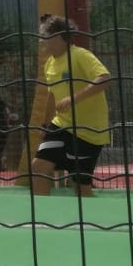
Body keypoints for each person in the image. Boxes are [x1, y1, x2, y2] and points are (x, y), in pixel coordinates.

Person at [29, 15, 113, 198]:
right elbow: (52, 96)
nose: (42, 41)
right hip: (61, 126)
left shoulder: (80, 55)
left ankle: (89, 215)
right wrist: (45, 125)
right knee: (38, 168)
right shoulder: (49, 64)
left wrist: (73, 98)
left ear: (59, 37)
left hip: (88, 132)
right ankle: (43, 212)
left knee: (80, 187)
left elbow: (105, 79)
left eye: (45, 36)